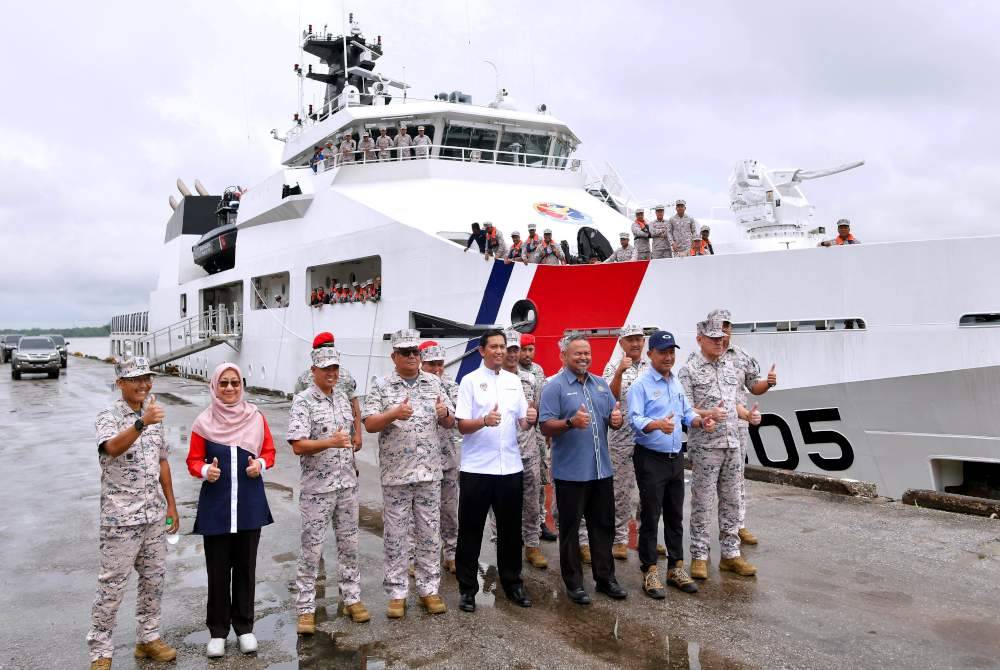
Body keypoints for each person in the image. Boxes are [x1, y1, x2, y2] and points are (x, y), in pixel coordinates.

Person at [87, 357, 179, 669]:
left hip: (153, 515)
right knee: (111, 587)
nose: (144, 384)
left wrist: (171, 505)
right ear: (120, 383)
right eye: (136, 379)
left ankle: (148, 638)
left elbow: (162, 460)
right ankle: (100, 651)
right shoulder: (109, 415)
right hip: (121, 519)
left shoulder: (154, 413)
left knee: (154, 581)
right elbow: (111, 448)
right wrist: (142, 423)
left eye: (147, 378)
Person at [362, 329, 455, 618]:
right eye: (406, 352)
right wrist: (392, 414)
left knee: (429, 533)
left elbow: (450, 422)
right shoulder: (381, 385)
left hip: (429, 473)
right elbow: (369, 424)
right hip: (397, 475)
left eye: (416, 352)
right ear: (394, 357)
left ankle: (429, 589)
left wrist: (444, 414)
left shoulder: (434, 383)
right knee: (396, 535)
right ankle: (397, 593)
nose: (412, 356)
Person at [187, 364, 276, 657]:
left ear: (242, 385)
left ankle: (245, 628)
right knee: (217, 571)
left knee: (246, 569)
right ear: (214, 386)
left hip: (249, 505)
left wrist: (259, 464)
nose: (229, 388)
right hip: (217, 507)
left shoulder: (256, 418)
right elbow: (192, 460)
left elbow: (269, 452)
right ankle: (217, 632)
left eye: (234, 383)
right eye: (223, 383)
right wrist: (205, 471)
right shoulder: (203, 422)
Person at [539, 334, 627, 605]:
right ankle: (574, 583)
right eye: (577, 353)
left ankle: (605, 579)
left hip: (601, 471)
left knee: (603, 528)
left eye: (587, 353)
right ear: (564, 356)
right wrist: (570, 423)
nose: (584, 357)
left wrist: (617, 419)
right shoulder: (554, 387)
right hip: (570, 474)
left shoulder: (600, 384)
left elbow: (613, 418)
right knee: (570, 531)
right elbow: (544, 426)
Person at [628, 331, 715, 598]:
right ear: (650, 354)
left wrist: (701, 421)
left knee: (675, 516)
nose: (668, 357)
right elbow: (635, 420)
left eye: (671, 352)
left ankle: (675, 568)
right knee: (651, 516)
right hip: (650, 458)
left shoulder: (674, 382)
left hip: (675, 458)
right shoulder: (640, 385)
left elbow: (686, 413)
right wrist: (657, 425)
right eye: (663, 352)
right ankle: (649, 570)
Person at [288, 347, 370, 634]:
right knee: (311, 550)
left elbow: (351, 435)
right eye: (326, 369)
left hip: (346, 485)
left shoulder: (343, 399)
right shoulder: (303, 401)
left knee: (350, 546)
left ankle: (352, 598)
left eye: (335, 368)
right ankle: (305, 608)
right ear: (314, 371)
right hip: (318, 489)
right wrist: (329, 443)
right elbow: (298, 445)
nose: (331, 373)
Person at [454, 330, 535, 612]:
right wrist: (483, 421)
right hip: (477, 469)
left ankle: (512, 583)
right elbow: (461, 425)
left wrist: (531, 418)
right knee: (470, 530)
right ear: (482, 351)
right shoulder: (469, 381)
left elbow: (523, 422)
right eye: (494, 347)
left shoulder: (514, 382)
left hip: (510, 468)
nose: (500, 351)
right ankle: (467, 589)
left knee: (510, 531)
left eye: (503, 347)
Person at [678, 318, 761, 581]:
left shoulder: (728, 366)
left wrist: (748, 416)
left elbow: (733, 402)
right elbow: (684, 408)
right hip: (706, 446)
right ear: (700, 339)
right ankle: (699, 556)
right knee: (703, 502)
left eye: (721, 338)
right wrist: (707, 414)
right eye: (713, 338)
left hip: (732, 443)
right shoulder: (689, 370)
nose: (719, 342)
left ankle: (730, 554)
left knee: (732, 501)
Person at [707, 308, 777, 546]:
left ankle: (738, 525)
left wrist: (768, 383)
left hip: (738, 424)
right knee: (708, 481)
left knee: (736, 477)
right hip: (712, 425)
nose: (723, 331)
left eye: (727, 326)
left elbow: (753, 386)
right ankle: (705, 531)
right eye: (719, 326)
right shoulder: (703, 357)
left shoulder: (741, 355)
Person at [499, 330, 546, 568]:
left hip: (528, 451)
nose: (512, 354)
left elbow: (537, 413)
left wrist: (540, 446)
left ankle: (532, 545)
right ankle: (504, 545)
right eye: (508, 349)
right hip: (502, 453)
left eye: (515, 349)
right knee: (501, 503)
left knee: (531, 500)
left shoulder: (530, 379)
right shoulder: (492, 380)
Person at [601, 325, 646, 561]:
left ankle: (646, 536)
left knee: (648, 489)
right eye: (631, 339)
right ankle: (619, 538)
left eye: (639, 339)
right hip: (622, 438)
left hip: (648, 437)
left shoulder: (651, 367)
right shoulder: (612, 367)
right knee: (620, 491)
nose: (636, 344)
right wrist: (619, 372)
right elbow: (609, 397)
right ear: (622, 343)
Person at [419, 342, 461, 573]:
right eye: (431, 364)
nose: (436, 369)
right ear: (421, 363)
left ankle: (451, 553)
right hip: (421, 463)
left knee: (449, 511)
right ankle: (417, 557)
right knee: (420, 514)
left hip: (446, 459)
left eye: (440, 364)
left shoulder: (451, 387)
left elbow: (459, 418)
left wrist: (446, 412)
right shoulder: (414, 387)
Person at [517, 334, 557, 542]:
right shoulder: (511, 370)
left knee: (540, 479)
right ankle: (519, 524)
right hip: (518, 433)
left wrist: (547, 431)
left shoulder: (538, 370)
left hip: (538, 433)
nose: (527, 354)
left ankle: (540, 520)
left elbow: (543, 401)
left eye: (530, 349)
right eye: (523, 350)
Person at [294, 332, 363, 452]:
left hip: (344, 444)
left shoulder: (345, 377)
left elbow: (354, 405)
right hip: (318, 444)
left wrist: (358, 434)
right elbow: (297, 414)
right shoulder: (304, 380)